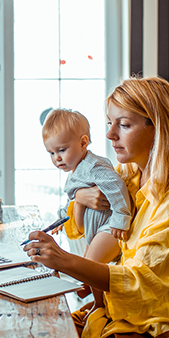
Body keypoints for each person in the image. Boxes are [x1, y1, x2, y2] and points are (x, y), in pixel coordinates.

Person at [9, 76, 169, 338]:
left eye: (124, 125)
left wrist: (64, 261)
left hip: (163, 331)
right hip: (119, 314)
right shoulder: (130, 175)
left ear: (158, 127)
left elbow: (141, 281)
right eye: (109, 123)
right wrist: (78, 197)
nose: (109, 134)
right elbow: (82, 228)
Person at [41, 109, 133, 306]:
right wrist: (60, 219)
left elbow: (117, 188)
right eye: (51, 153)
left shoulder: (94, 167)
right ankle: (96, 303)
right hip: (96, 232)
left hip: (109, 229)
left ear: (83, 143)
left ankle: (99, 307)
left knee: (90, 268)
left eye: (62, 150)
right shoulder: (77, 170)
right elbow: (71, 201)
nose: (57, 158)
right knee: (87, 273)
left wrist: (120, 219)